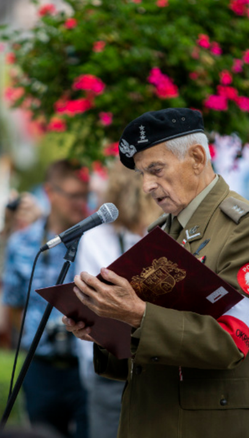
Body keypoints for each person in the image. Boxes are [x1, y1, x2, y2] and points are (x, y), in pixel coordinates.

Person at [63, 108, 249, 437]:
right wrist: (102, 327)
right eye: (141, 173)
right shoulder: (163, 231)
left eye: (156, 170)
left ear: (197, 158)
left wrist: (137, 314)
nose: (146, 186)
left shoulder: (247, 228)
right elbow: (145, 352)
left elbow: (230, 339)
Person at [1, 160, 89, 438]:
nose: (81, 203)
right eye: (73, 195)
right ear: (50, 192)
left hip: (87, 366)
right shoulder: (23, 241)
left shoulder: (97, 240)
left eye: (85, 195)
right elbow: (14, 305)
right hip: (40, 367)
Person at [75, 163, 161, 438]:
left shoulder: (167, 232)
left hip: (148, 363)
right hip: (120, 366)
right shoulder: (97, 238)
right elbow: (89, 306)